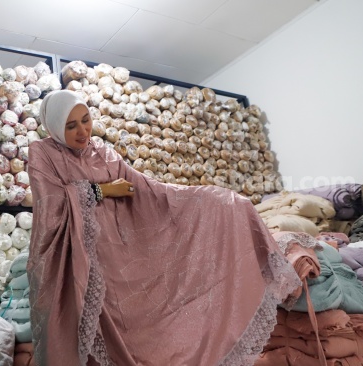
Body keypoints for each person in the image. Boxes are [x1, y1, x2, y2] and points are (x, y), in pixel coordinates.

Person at [27, 90, 300, 366]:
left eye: (86, 120)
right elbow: (51, 205)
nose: (82, 131)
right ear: (54, 127)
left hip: (121, 254)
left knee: (151, 328)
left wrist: (213, 199)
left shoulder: (103, 152)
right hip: (82, 259)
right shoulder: (43, 153)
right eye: (70, 125)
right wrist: (104, 189)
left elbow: (146, 188)